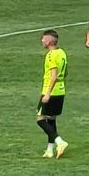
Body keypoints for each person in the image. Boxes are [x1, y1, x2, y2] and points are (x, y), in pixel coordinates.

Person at [38, 30, 68, 159]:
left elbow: (53, 76)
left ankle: (60, 142)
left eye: (43, 39)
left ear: (49, 41)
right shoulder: (62, 53)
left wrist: (47, 94)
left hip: (51, 91)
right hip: (61, 90)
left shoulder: (51, 55)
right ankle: (50, 150)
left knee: (40, 119)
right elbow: (65, 73)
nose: (42, 41)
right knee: (51, 120)